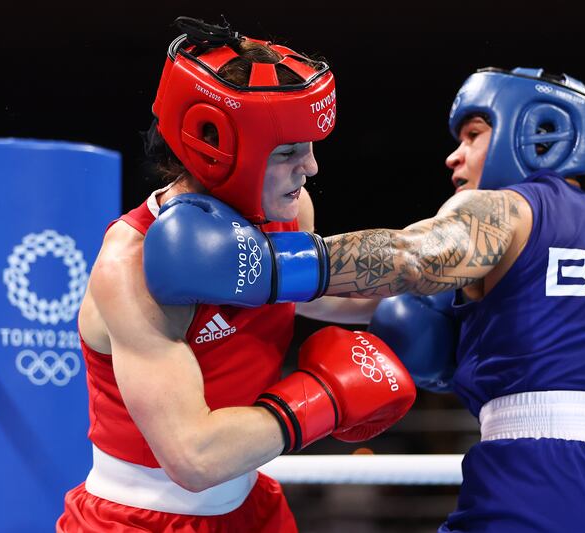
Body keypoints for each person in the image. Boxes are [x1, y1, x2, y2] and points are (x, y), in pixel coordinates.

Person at [147, 66, 585, 531]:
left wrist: (263, 268)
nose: (454, 158)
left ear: (538, 132)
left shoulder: (505, 209)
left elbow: (416, 257)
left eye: (474, 135)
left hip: (543, 481)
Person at [57, 17, 415, 532]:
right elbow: (194, 458)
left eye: (309, 147)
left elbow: (330, 298)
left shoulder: (290, 212)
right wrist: (323, 398)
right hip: (140, 519)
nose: (311, 168)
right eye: (289, 151)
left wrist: (442, 294)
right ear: (218, 147)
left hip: (252, 507)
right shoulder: (132, 263)